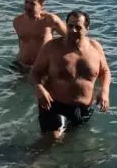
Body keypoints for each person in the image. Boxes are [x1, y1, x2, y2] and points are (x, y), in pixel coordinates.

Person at [29, 10, 111, 140]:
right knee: (52, 140)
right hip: (54, 106)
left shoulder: (95, 47)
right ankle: (24, 160)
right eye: (70, 26)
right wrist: (39, 89)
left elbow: (105, 71)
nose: (73, 30)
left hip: (84, 109)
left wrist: (104, 91)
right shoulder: (51, 47)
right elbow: (35, 72)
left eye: (78, 27)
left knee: (72, 144)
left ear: (87, 29)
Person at [13, 0, 67, 70]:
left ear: (42, 4)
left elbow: (70, 37)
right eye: (26, 2)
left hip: (43, 67)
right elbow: (21, 43)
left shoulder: (50, 20)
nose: (28, 6)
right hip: (21, 64)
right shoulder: (18, 21)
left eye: (32, 4)